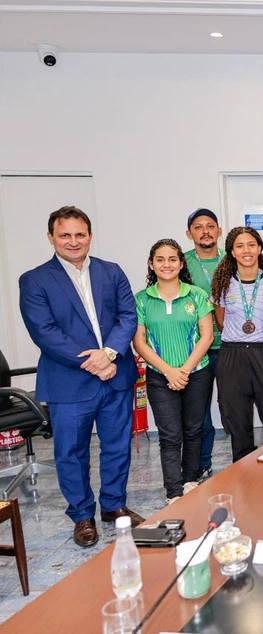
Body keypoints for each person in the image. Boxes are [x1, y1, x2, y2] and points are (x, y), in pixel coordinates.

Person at [19, 206, 143, 547]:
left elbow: (128, 316)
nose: (73, 241)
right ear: (51, 237)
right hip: (69, 382)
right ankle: (82, 515)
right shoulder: (34, 280)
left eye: (80, 234)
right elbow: (44, 332)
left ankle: (113, 505)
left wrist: (110, 353)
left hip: (115, 375)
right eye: (65, 235)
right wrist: (94, 360)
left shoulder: (111, 271)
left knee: (116, 446)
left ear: (89, 236)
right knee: (71, 453)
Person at [132, 239, 214, 504]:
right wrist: (169, 371)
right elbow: (139, 342)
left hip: (196, 373)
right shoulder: (142, 299)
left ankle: (190, 480)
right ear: (151, 264)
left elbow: (207, 336)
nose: (166, 264)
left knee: (194, 429)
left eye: (172, 259)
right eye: (160, 259)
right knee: (170, 435)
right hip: (159, 376)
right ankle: (174, 491)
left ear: (181, 264)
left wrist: (184, 370)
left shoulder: (197, 295)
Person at [210, 226, 263, 461]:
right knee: (237, 418)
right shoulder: (223, 283)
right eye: (239, 246)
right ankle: (243, 469)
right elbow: (221, 321)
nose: (246, 250)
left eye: (251, 244)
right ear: (232, 252)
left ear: (259, 248)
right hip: (233, 354)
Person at [183, 208, 224, 482]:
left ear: (219, 230)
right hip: (197, 348)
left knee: (233, 409)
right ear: (189, 234)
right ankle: (202, 464)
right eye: (198, 227)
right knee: (198, 412)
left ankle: (242, 461)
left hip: (231, 345)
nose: (205, 231)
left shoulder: (232, 258)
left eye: (210, 226)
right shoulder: (181, 263)